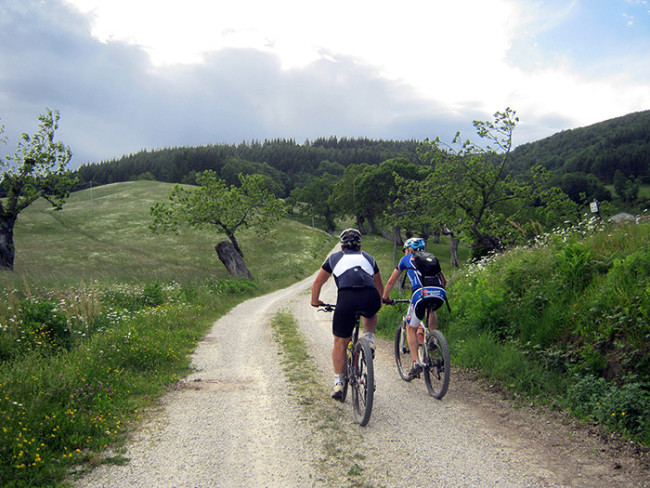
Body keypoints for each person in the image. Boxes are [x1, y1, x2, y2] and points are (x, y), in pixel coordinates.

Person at [311, 228, 384, 400]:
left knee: (340, 341)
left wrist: (315, 301)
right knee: (371, 310)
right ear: (360, 246)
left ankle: (338, 382)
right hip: (370, 295)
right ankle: (370, 338)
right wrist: (378, 302)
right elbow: (378, 284)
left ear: (342, 247)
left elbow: (318, 282)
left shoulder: (334, 258)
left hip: (347, 298)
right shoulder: (369, 258)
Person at [382, 237, 447, 379]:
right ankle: (433, 338)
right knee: (430, 309)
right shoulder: (432, 258)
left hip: (420, 294)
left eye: (405, 250)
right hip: (440, 293)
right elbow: (444, 281)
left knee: (410, 328)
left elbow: (391, 281)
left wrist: (385, 298)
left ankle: (416, 363)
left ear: (409, 249)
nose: (405, 252)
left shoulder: (406, 259)